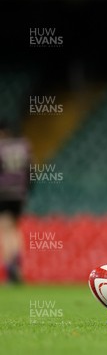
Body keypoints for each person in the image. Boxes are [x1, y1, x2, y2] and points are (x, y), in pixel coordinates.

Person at [0, 121, 31, 284]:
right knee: (15, 229)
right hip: (19, 193)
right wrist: (26, 191)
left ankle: (10, 268)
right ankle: (17, 265)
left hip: (3, 193)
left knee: (4, 230)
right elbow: (30, 170)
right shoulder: (23, 146)